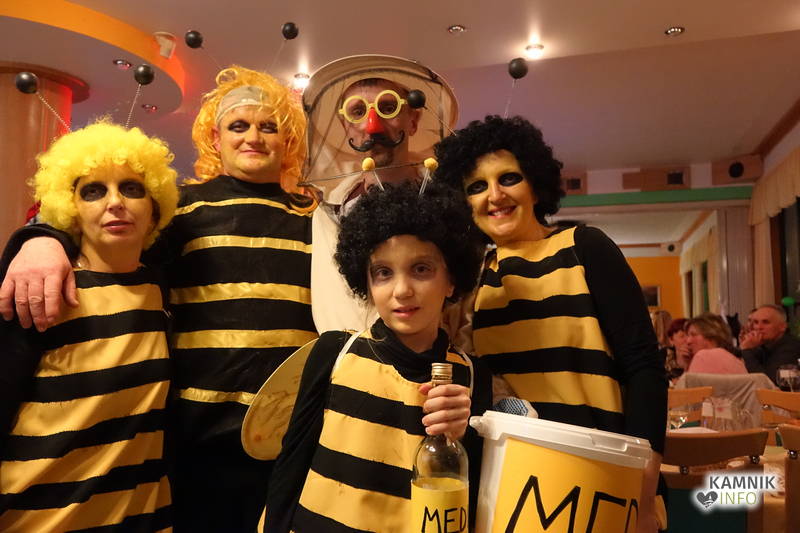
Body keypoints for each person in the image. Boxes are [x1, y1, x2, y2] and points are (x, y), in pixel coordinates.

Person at [0, 66, 317, 532]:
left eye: (268, 126)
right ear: (216, 137)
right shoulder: (182, 209)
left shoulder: (315, 217)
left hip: (288, 437)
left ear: (286, 138)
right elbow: (108, 236)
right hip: (193, 442)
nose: (253, 137)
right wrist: (40, 237)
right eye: (239, 125)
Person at [434, 115, 667, 533]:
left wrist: (645, 490)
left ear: (535, 185)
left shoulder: (583, 247)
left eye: (509, 178)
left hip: (606, 481)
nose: (494, 195)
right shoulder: (469, 282)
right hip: (513, 488)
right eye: (476, 186)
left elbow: (645, 367)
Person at [264, 182, 491, 532]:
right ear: (366, 283)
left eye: (421, 269)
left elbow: (474, 496)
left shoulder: (471, 377)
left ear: (451, 280)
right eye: (383, 273)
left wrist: (463, 436)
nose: (402, 290)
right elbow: (291, 463)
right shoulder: (335, 353)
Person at [0, 122, 178, 531]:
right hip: (39, 519)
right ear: (71, 211)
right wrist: (37, 237)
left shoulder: (159, 289)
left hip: (141, 514)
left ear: (154, 209)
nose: (115, 203)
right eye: (93, 191)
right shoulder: (42, 289)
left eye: (131, 189)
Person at [301, 54, 458, 333]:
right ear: (345, 126)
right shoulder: (329, 213)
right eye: (357, 112)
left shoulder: (446, 203)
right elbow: (331, 302)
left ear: (413, 119)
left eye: (388, 107)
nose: (371, 125)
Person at [740, 304, 800, 383]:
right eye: (756, 322)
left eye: (766, 322)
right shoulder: (764, 344)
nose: (759, 327)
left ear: (783, 327)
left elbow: (768, 382)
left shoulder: (791, 347)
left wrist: (746, 350)